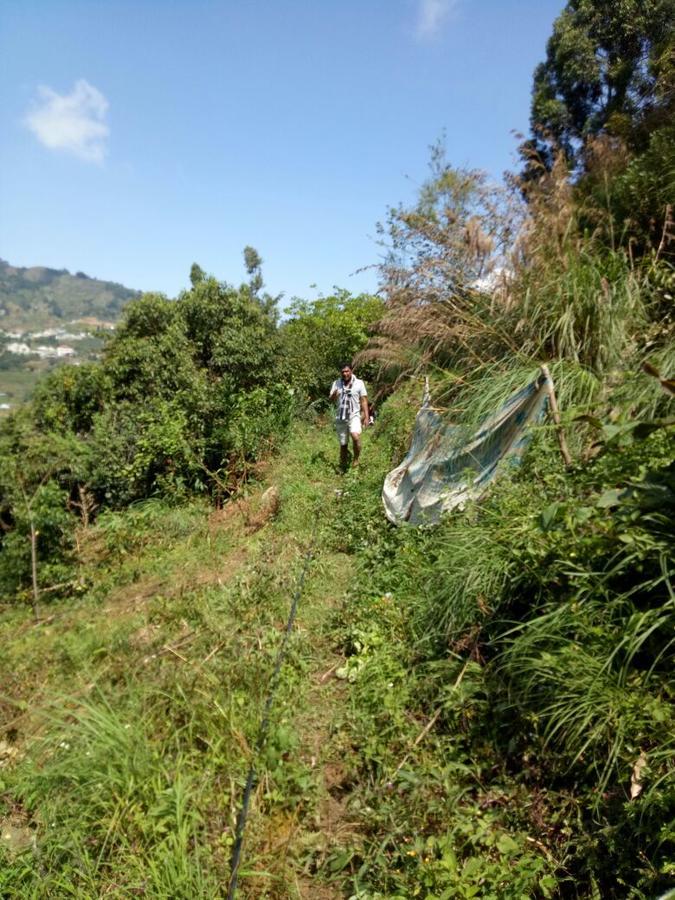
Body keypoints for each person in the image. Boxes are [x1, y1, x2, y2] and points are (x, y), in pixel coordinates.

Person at [329, 363, 368, 469]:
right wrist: (334, 395)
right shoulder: (336, 383)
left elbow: (364, 400)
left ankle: (356, 460)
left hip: (354, 416)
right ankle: (343, 465)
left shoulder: (359, 383)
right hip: (341, 417)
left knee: (355, 437)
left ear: (351, 371)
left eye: (347, 371)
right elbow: (331, 400)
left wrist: (366, 416)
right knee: (343, 444)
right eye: (343, 372)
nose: (345, 374)